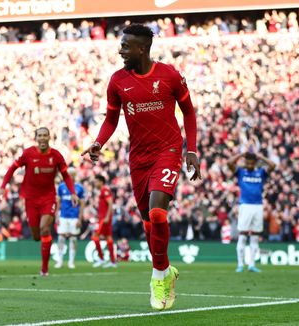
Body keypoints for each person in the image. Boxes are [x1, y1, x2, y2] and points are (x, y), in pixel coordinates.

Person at [81, 23, 200, 310]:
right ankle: (165, 269)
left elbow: (188, 112)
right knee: (148, 222)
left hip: (168, 151)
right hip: (138, 157)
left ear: (142, 48)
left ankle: (158, 276)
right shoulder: (117, 81)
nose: (121, 50)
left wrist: (191, 150)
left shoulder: (169, 75)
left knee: (158, 212)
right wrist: (99, 142)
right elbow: (111, 119)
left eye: (126, 45)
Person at [0, 127, 78, 276]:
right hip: (30, 198)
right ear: (36, 138)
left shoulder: (56, 156)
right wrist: (3, 186)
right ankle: (45, 243)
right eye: (39, 135)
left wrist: (73, 192)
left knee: (45, 229)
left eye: (45, 135)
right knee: (36, 236)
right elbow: (12, 169)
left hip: (48, 197)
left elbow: (66, 175)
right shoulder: (28, 154)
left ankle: (44, 269)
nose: (42, 138)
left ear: (49, 137)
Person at [228, 151, 276, 273]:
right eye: (247, 163)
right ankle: (240, 264)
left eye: (251, 163)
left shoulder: (260, 172)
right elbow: (229, 162)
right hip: (245, 206)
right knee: (243, 235)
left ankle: (252, 265)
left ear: (255, 163)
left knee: (255, 237)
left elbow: (273, 166)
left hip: (258, 206)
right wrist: (241, 154)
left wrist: (261, 157)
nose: (249, 165)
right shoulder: (240, 172)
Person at [55, 166, 85, 269]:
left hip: (74, 217)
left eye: (70, 175)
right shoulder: (61, 187)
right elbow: (58, 202)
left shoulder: (79, 188)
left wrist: (80, 219)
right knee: (61, 238)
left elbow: (82, 205)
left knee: (73, 239)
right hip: (63, 216)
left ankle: (71, 262)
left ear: (74, 176)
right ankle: (60, 261)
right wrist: (57, 216)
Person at [91, 175, 116, 268]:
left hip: (104, 219)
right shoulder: (102, 191)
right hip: (103, 218)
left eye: (96, 181)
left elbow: (110, 204)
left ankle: (101, 259)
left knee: (94, 237)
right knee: (108, 238)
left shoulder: (105, 190)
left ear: (101, 182)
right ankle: (113, 261)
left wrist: (107, 217)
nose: (95, 183)